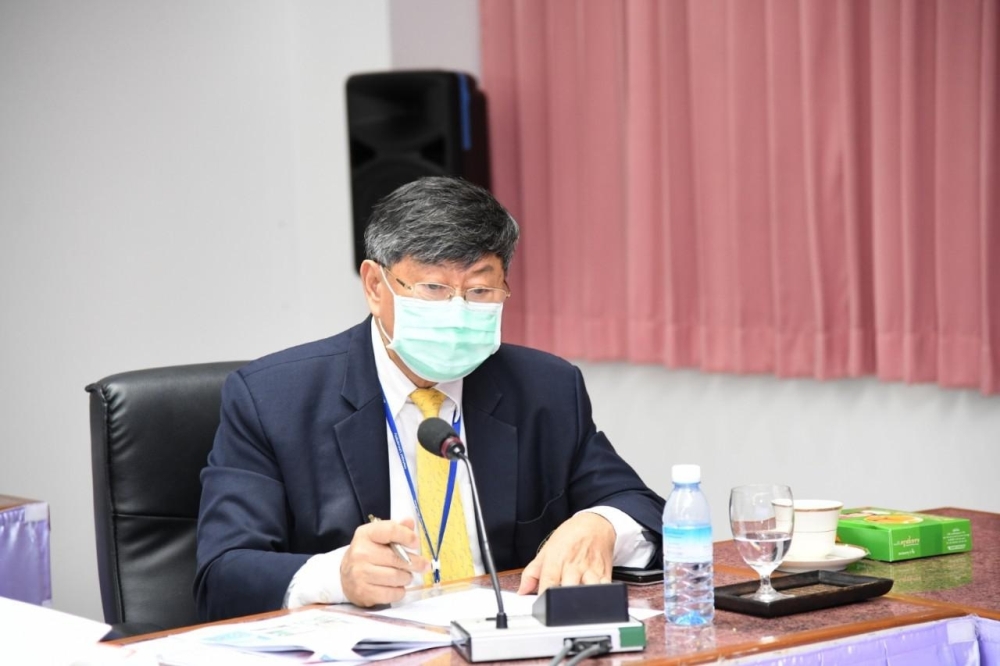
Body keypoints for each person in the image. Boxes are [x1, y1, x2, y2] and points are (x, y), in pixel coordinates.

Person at [195, 176, 664, 621]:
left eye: (479, 289)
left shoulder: (546, 388)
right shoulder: (272, 400)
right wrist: (337, 576)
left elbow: (643, 509)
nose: (457, 311)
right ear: (375, 286)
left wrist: (602, 524)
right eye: (434, 288)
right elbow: (222, 575)